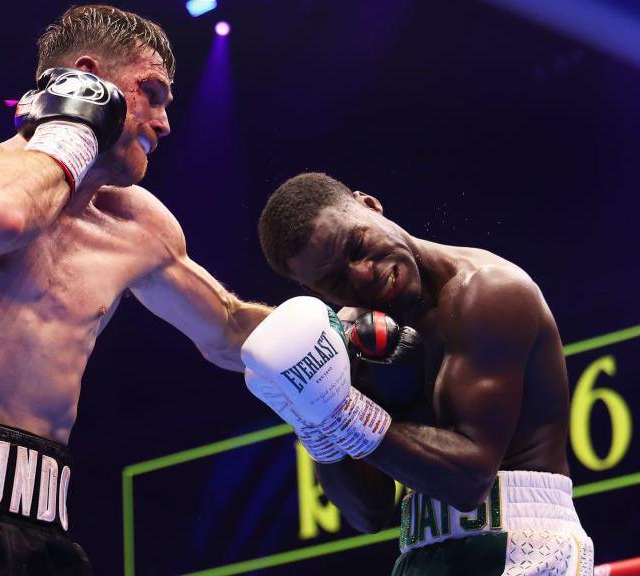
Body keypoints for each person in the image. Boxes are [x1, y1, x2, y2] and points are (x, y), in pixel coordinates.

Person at [0, 5, 270, 575]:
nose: (164, 123)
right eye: (151, 93)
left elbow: (228, 330)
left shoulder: (136, 225)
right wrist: (75, 127)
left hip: (40, 520)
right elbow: (1, 218)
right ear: (86, 79)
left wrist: (338, 339)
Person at [241, 172, 593, 575]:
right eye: (335, 280)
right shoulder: (349, 337)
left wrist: (342, 412)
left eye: (357, 246)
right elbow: (369, 513)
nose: (362, 275)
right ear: (314, 291)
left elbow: (471, 480)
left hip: (524, 541)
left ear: (370, 205)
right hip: (421, 555)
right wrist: (313, 423)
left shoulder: (489, 291)